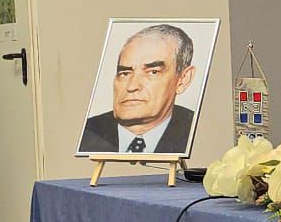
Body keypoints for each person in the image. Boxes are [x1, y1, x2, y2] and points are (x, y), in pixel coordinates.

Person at [78, 23, 199, 154]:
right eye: (125, 73)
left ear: (183, 79)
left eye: (153, 72)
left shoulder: (196, 131)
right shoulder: (89, 133)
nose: (132, 86)